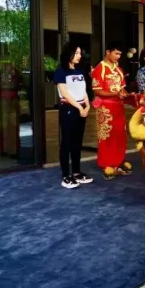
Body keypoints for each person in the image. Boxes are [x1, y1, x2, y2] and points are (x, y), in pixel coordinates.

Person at [54, 43, 93, 188]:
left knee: (77, 143)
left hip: (81, 109)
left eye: (80, 53)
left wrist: (87, 105)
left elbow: (83, 91)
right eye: (76, 53)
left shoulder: (79, 71)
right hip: (68, 109)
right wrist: (79, 107)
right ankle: (66, 176)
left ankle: (77, 172)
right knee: (67, 142)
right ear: (69, 54)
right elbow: (65, 93)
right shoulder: (60, 71)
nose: (79, 56)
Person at [92, 41, 133, 180]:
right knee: (106, 136)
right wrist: (116, 94)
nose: (118, 56)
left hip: (118, 107)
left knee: (120, 134)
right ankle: (106, 164)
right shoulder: (99, 69)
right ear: (108, 52)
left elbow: (122, 89)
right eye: (116, 53)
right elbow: (98, 91)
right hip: (105, 109)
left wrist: (127, 95)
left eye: (120, 54)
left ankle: (118, 162)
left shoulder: (119, 70)